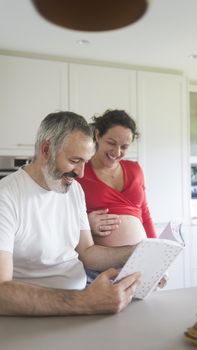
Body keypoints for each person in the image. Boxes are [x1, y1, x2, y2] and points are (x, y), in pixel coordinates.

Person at [0, 111, 141, 316]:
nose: (81, 173)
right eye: (75, 160)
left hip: (80, 304)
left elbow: (88, 253)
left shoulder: (73, 189)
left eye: (85, 161)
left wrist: (137, 252)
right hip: (33, 315)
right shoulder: (6, 197)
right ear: (46, 149)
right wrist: (86, 301)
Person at [78, 109, 157, 248]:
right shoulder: (80, 172)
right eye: (111, 143)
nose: (117, 152)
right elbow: (63, 220)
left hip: (141, 258)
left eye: (124, 146)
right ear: (97, 135)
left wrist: (157, 250)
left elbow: (145, 214)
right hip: (102, 265)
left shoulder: (135, 170)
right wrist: (86, 224)